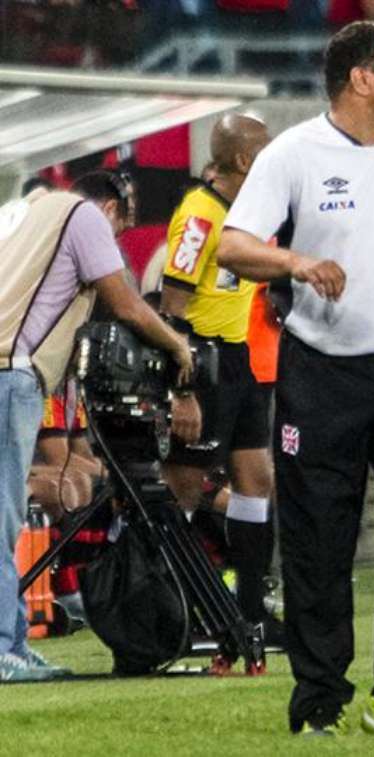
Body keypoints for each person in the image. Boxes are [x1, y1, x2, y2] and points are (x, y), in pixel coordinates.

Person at [217, 21, 374, 736]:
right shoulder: (293, 155)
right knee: (318, 544)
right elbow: (234, 246)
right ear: (362, 78)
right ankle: (319, 699)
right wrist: (295, 264)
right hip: (320, 374)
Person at [0, 171, 196, 682]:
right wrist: (176, 344)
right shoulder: (82, 214)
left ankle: (13, 642)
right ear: (110, 208)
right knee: (3, 518)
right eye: (120, 230)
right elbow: (126, 302)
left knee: (7, 515)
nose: (114, 245)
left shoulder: (26, 214)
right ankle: (3, 648)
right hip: (8, 372)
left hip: (9, 369)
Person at [159, 113, 284, 653]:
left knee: (256, 481)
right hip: (200, 361)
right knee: (182, 491)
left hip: (237, 360)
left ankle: (249, 614)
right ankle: (173, 611)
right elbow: (171, 305)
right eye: (266, 151)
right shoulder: (199, 216)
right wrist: (181, 389)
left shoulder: (243, 216)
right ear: (243, 161)